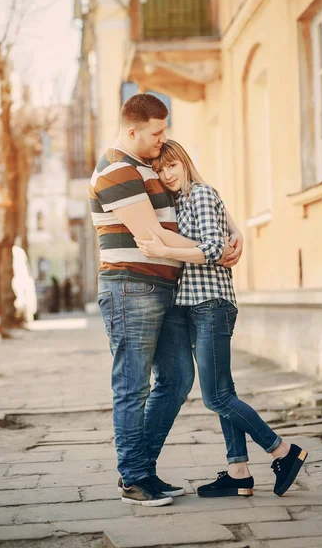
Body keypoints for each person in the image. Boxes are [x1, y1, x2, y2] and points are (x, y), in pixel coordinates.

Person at [90, 94, 242, 507]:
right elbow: (153, 237)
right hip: (130, 287)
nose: (163, 139)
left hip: (165, 287)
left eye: (165, 130)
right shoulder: (117, 169)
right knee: (132, 384)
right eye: (157, 132)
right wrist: (211, 247)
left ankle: (144, 469)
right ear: (132, 129)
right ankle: (133, 478)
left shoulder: (148, 169)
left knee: (176, 378)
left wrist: (234, 231)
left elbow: (193, 194)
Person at [135, 139, 308, 498]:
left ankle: (283, 452)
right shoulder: (181, 200)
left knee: (216, 397)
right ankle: (239, 471)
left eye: (172, 166)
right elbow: (223, 233)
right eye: (160, 169)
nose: (167, 174)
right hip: (195, 305)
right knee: (223, 391)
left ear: (184, 162)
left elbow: (213, 249)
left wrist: (164, 250)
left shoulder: (198, 193)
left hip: (211, 303)